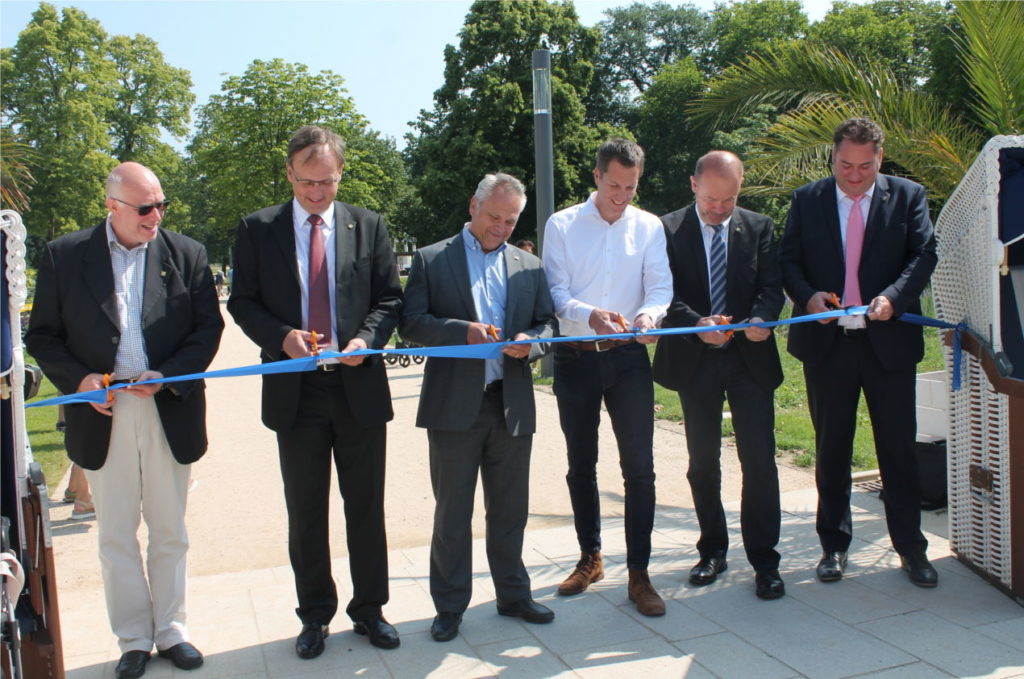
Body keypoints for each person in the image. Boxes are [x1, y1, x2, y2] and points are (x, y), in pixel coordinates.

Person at [26, 162, 223, 679]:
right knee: (115, 533)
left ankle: (172, 629)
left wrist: (169, 373)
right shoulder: (64, 256)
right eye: (144, 207)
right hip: (102, 413)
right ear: (111, 205)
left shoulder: (188, 254)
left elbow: (207, 329)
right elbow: (42, 336)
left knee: (169, 529)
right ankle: (134, 638)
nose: (156, 216)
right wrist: (79, 381)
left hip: (168, 405)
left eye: (161, 204)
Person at [228, 125, 403, 657]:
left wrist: (365, 338)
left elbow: (389, 299)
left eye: (326, 181)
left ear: (340, 173)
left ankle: (370, 610)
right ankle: (314, 616)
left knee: (366, 507)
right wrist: (280, 336)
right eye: (307, 182)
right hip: (295, 393)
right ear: (289, 173)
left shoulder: (368, 226)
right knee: (306, 511)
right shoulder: (258, 230)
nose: (317, 192)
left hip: (358, 388)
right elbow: (243, 301)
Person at [779, 117, 939, 588]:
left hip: (887, 345)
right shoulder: (808, 199)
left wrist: (894, 297)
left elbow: (923, 254)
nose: (853, 175)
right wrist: (807, 298)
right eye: (845, 165)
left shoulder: (908, 196)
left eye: (864, 166)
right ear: (833, 157)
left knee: (897, 451)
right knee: (831, 450)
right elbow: (788, 259)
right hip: (828, 346)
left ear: (880, 159)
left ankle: (911, 549)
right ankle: (833, 547)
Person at [400, 173, 558, 642]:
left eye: (511, 220)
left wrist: (531, 344)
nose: (502, 227)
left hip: (509, 405)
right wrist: (460, 332)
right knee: (452, 512)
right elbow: (411, 323)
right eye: (495, 217)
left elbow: (549, 323)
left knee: (510, 509)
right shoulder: (431, 259)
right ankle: (449, 607)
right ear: (473, 206)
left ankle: (513, 595)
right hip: (453, 408)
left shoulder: (528, 265)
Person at [543, 138, 672, 617]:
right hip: (576, 356)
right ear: (596, 176)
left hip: (629, 361)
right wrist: (588, 314)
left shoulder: (649, 227)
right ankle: (590, 557)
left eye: (631, 187)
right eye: (614, 185)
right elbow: (554, 292)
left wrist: (648, 319)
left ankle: (639, 573)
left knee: (640, 468)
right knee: (582, 464)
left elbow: (659, 286)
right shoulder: (562, 224)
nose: (621, 196)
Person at [651, 151, 785, 600]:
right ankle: (712, 549)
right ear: (693, 185)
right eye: (711, 199)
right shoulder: (666, 230)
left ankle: (765, 560)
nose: (719, 209)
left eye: (728, 200)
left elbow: (771, 287)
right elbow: (661, 294)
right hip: (696, 360)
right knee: (703, 463)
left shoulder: (760, 227)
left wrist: (764, 319)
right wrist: (698, 325)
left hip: (750, 358)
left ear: (739, 187)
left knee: (761, 461)